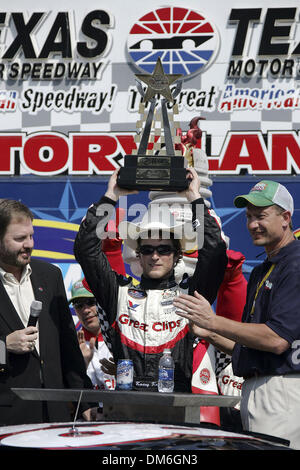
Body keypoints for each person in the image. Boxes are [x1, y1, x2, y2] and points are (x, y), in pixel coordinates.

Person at [74, 167, 227, 392]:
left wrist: (194, 198)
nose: (155, 256)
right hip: (127, 407)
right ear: (138, 254)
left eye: (164, 249)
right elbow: (86, 250)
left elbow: (215, 252)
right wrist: (110, 197)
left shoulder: (191, 296)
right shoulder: (118, 292)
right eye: (147, 250)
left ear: (177, 255)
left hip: (176, 406)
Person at [174, 180, 300, 449]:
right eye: (249, 217)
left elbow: (277, 339)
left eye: (262, 216)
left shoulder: (296, 264)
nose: (253, 224)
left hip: (284, 390)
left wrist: (213, 320)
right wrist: (209, 333)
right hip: (258, 389)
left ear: (286, 218)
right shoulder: (261, 270)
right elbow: (250, 347)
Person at [0, 199, 94, 425]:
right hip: (7, 417)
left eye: (31, 236)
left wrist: (85, 402)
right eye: (19, 238)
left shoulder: (49, 275)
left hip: (55, 415)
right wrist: (3, 346)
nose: (29, 244)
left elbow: (68, 346)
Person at [69, 279, 116, 390]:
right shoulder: (71, 344)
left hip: (119, 406)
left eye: (91, 302)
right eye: (79, 305)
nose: (86, 310)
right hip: (88, 407)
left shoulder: (122, 339)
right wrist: (81, 365)